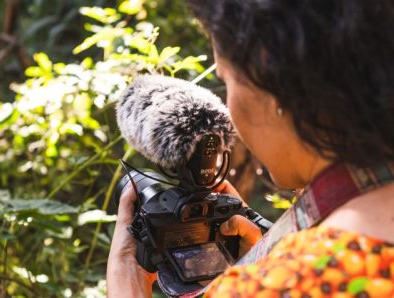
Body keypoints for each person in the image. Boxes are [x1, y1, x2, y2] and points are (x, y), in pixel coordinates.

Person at [107, 0, 394, 297]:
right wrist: (266, 258)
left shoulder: (288, 281)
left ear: (270, 80)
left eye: (225, 81)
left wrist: (125, 282)